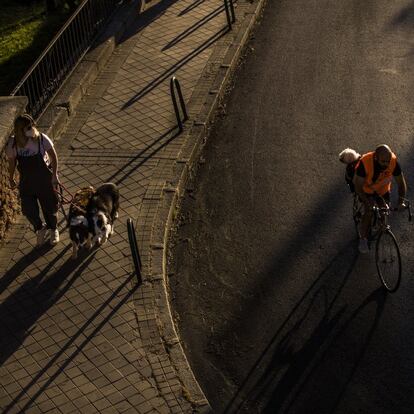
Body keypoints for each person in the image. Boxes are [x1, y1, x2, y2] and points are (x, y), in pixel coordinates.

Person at [6, 114, 60, 246]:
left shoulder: (41, 139)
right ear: (20, 130)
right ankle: (40, 227)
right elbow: (12, 163)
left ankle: (53, 229)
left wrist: (54, 175)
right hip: (27, 182)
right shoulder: (13, 144)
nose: (32, 128)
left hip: (44, 180)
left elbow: (53, 156)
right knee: (28, 209)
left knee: (50, 206)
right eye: (28, 127)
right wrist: (11, 177)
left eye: (32, 125)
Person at [352, 144, 407, 254]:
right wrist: (367, 203)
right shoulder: (365, 162)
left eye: (388, 161)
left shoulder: (393, 162)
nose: (386, 164)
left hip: (382, 190)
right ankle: (363, 239)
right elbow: (357, 186)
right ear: (376, 158)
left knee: (385, 211)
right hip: (365, 190)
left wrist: (401, 202)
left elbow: (401, 183)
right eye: (383, 162)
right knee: (369, 211)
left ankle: (381, 226)